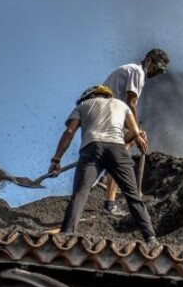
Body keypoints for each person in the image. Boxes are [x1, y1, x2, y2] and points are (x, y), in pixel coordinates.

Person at [49, 85, 158, 244]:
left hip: (91, 149)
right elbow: (135, 132)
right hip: (117, 149)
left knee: (80, 194)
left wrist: (56, 160)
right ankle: (151, 238)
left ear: (90, 96)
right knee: (133, 195)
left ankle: (66, 235)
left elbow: (69, 132)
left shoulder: (82, 106)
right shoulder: (121, 105)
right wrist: (117, 143)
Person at [98, 48, 170, 215]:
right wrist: (136, 133)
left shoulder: (130, 70)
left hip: (105, 113)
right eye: (157, 69)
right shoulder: (137, 72)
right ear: (149, 61)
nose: (156, 74)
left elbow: (124, 107)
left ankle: (107, 178)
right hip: (108, 114)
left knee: (126, 144)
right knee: (122, 153)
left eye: (161, 72)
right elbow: (130, 103)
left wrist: (135, 133)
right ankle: (109, 204)